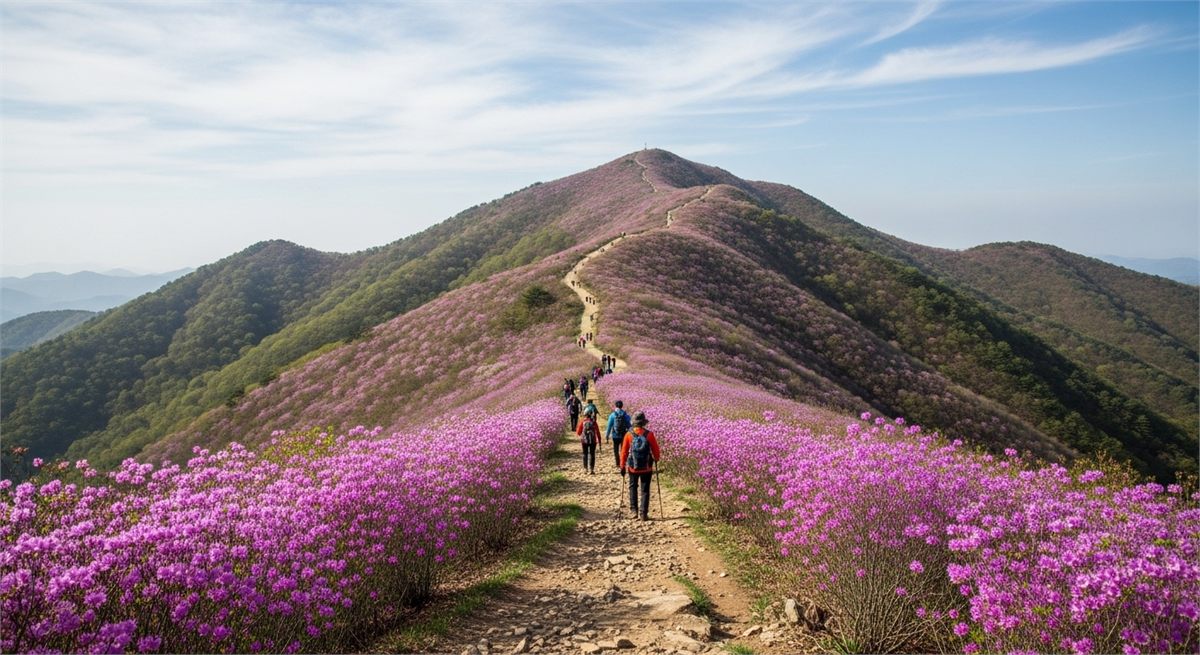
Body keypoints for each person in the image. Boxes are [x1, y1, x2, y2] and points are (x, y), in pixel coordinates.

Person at [620, 411, 660, 521]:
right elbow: (656, 450)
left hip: (633, 467)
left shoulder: (629, 434)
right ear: (643, 422)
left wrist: (622, 465)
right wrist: (656, 459)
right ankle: (643, 514)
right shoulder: (649, 434)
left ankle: (634, 511)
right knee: (645, 489)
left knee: (633, 487)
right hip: (646, 467)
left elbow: (624, 451)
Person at [605, 400, 631, 469]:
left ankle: (617, 463)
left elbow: (609, 426)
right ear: (622, 406)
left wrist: (607, 435)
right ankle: (623, 462)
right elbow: (629, 426)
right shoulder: (625, 415)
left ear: (616, 406)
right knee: (623, 449)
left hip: (615, 435)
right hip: (623, 435)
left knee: (616, 450)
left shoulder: (612, 415)